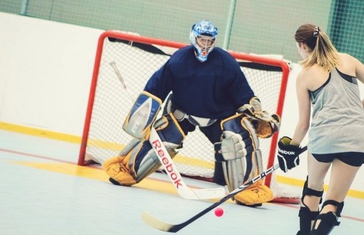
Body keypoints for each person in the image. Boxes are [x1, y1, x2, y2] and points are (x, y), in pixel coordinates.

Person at [102, 20, 280, 207]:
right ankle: (126, 168)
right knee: (163, 137)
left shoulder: (226, 62)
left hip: (219, 114)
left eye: (209, 41)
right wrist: (145, 112)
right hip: (183, 112)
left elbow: (243, 93)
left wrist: (255, 111)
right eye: (202, 40)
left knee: (239, 137)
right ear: (194, 38)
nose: (205, 45)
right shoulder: (179, 60)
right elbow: (157, 87)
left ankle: (248, 188)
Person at [277, 24, 364, 234]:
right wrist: (354, 111)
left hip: (324, 138)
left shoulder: (305, 75)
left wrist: (291, 149)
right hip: (356, 137)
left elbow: (303, 124)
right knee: (333, 204)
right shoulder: (348, 60)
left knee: (312, 191)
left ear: (302, 45)